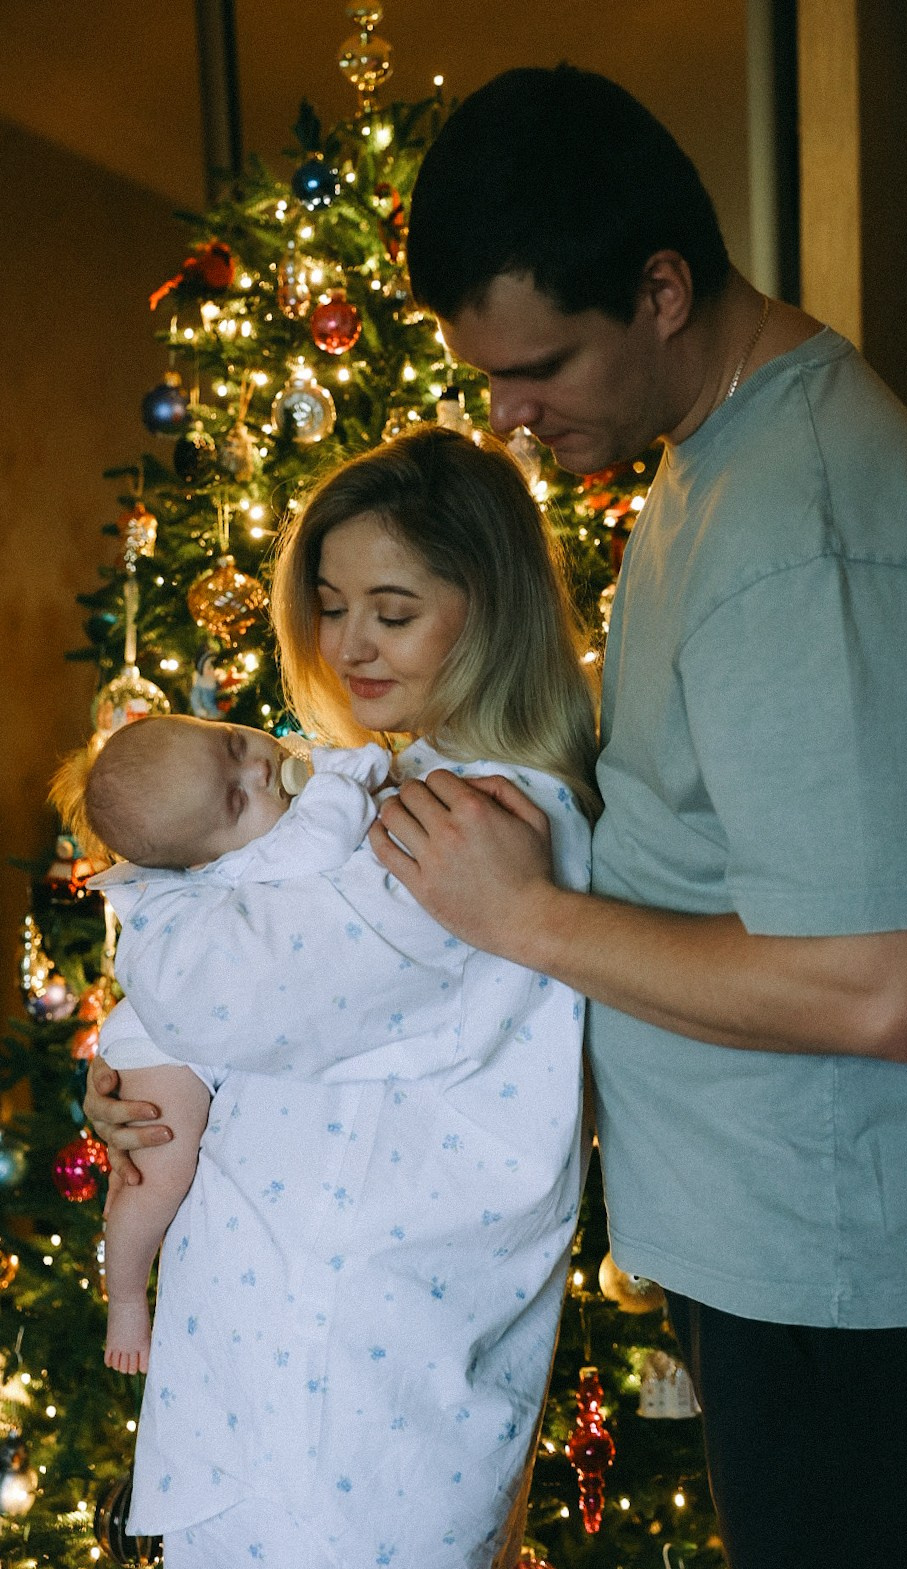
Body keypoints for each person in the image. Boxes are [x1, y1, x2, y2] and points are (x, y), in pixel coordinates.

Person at [357, 65, 907, 1569]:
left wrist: (524, 915)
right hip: (806, 1269)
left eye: (536, 366)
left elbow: (877, 987)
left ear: (661, 289)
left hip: (861, 1300)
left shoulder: (804, 527)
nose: (507, 415)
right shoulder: (709, 461)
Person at [80, 424, 598, 1569]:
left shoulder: (477, 822)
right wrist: (135, 1081)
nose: (351, 645)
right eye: (330, 604)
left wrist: (145, 919)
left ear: (490, 610)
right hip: (287, 1341)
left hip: (356, 1365)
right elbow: (247, 1018)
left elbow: (236, 998)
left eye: (393, 611)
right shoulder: (399, 787)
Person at [50, 713, 388, 1373]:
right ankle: (124, 1295)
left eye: (234, 743)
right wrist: (343, 776)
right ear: (205, 856)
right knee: (157, 1178)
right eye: (237, 798)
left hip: (179, 1026)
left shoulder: (255, 811)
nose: (259, 769)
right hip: (164, 1048)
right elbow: (324, 841)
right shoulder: (265, 852)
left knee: (148, 1172)